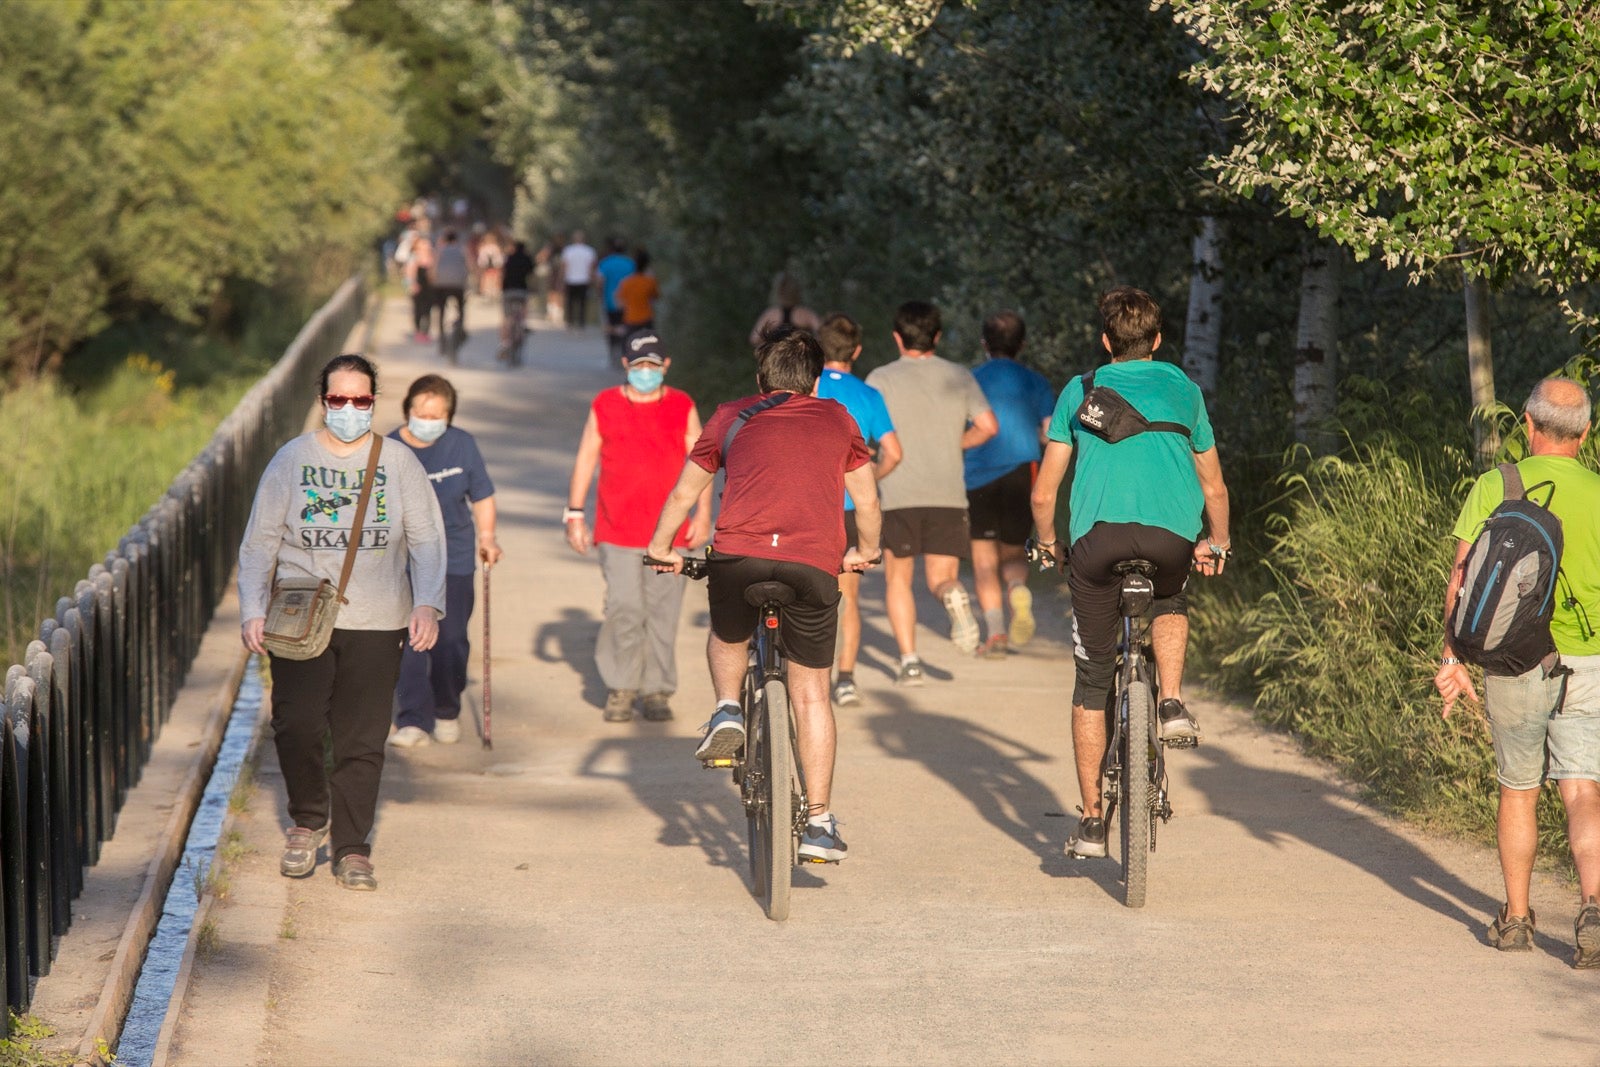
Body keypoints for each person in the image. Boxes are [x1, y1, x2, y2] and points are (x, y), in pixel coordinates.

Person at [646, 325, 882, 862]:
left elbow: (686, 491)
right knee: (812, 695)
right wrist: (864, 551)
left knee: (728, 634)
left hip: (740, 558)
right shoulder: (840, 419)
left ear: (760, 379)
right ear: (817, 381)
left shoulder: (731, 415)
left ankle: (728, 709)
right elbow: (866, 503)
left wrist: (662, 547)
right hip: (813, 565)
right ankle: (819, 823)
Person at [1030, 286, 1230, 860]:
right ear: (1158, 341)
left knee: (1092, 681)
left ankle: (1092, 821)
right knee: (1169, 597)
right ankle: (1169, 701)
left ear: (1105, 342)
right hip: (1170, 542)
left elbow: (1046, 492)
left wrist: (1048, 545)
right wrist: (1217, 542)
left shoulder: (1081, 391)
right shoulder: (1186, 391)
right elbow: (1213, 485)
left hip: (1095, 545)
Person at [238, 354, 447, 892]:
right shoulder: (291, 460)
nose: (349, 409)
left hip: (378, 620)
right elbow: (260, 541)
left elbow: (426, 538)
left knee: (362, 736)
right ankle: (308, 820)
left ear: (373, 402)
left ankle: (353, 848)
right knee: (297, 723)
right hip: (300, 616)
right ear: (323, 400)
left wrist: (427, 602)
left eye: (360, 400)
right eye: (339, 400)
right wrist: (251, 608)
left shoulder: (398, 463)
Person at [1435, 377, 1600, 966]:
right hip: (1590, 663)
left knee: (1519, 790)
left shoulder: (1495, 485)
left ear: (1526, 427)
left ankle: (1517, 919)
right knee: (1582, 787)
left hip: (1516, 662)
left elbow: (1461, 580)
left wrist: (1452, 657)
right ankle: (1594, 906)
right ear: (1585, 434)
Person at [567, 331, 712, 722]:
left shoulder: (682, 405)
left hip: (670, 535)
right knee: (624, 607)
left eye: (652, 364)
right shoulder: (605, 404)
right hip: (617, 529)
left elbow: (701, 462)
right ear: (625, 366)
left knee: (663, 612)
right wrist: (575, 512)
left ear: (665, 366)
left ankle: (657, 690)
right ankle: (622, 687)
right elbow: (586, 458)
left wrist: (703, 514)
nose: (645, 371)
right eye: (638, 365)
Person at [865, 301, 997, 683]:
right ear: (937, 336)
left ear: (896, 338)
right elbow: (989, 425)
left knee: (898, 580)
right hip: (947, 493)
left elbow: (867, 429)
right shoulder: (959, 375)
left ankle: (909, 660)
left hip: (899, 492)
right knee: (941, 578)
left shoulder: (880, 378)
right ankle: (954, 595)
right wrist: (957, 442)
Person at [388, 375, 503, 747]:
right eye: (420, 412)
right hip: (402, 560)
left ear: (449, 416)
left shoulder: (461, 445)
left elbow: (481, 495)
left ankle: (446, 707)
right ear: (408, 409)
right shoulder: (389, 448)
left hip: (452, 555)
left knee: (450, 639)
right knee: (408, 641)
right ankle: (413, 719)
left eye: (436, 414)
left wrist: (488, 537)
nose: (427, 419)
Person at [816, 313, 901, 706]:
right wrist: (869, 479)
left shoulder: (806, 386)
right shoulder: (868, 394)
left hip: (811, 503)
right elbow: (894, 453)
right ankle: (845, 678)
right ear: (858, 351)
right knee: (847, 595)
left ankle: (805, 669)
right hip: (850, 507)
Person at [965, 310, 1057, 658]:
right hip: (1023, 470)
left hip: (977, 475)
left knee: (984, 558)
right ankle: (1018, 588)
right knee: (1013, 551)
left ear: (984, 343)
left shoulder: (971, 380)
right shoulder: (1036, 381)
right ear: (1023, 344)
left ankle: (996, 635)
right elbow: (1049, 433)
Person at [747, 272, 821, 347]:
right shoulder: (806, 314)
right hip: (802, 356)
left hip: (779, 356)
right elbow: (822, 333)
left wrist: (771, 347)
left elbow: (754, 339)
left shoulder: (771, 314)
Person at [595, 237, 636, 360]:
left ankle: (613, 351)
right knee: (625, 325)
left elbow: (600, 282)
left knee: (611, 326)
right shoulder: (631, 263)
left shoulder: (605, 263)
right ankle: (624, 352)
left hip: (610, 301)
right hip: (627, 302)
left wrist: (599, 296)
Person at [432, 230, 470, 352]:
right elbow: (470, 265)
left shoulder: (440, 250)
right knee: (461, 309)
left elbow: (433, 267)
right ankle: (460, 331)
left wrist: (434, 281)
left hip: (441, 285)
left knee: (441, 311)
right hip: (458, 285)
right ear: (456, 239)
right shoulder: (462, 250)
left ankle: (442, 340)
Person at [499, 240, 536, 360]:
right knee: (523, 312)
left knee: (506, 318)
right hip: (521, 291)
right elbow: (531, 272)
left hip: (508, 290)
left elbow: (503, 273)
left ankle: (505, 344)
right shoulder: (527, 258)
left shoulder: (509, 258)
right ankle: (523, 325)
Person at [614, 249, 660, 332]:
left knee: (627, 343)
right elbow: (656, 297)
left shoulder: (626, 282)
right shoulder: (650, 282)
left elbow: (619, 303)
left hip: (631, 320)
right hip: (647, 320)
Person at [561, 230, 598, 330]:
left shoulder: (568, 250)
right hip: (584, 280)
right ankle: (581, 323)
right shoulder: (589, 251)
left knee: (570, 302)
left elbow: (565, 266)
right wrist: (592, 279)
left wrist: (563, 279)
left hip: (570, 279)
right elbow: (591, 267)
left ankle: (569, 322)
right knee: (582, 303)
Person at [404, 230, 435, 343]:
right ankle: (418, 331)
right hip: (418, 287)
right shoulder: (413, 258)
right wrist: (412, 284)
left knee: (428, 310)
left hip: (429, 288)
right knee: (418, 310)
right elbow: (409, 273)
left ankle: (426, 332)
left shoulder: (432, 259)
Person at [476, 231, 504, 299]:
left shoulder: (494, 248)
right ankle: (487, 293)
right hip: (487, 269)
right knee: (487, 281)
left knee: (494, 281)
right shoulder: (486, 248)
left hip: (492, 268)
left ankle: (492, 293)